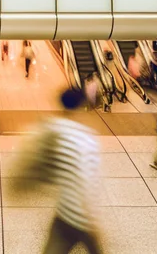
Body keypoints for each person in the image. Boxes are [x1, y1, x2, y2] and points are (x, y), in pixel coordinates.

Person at [37, 88, 102, 253]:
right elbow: (87, 180)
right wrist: (90, 215)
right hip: (81, 217)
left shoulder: (53, 129)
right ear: (82, 106)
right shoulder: (85, 139)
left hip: (63, 213)